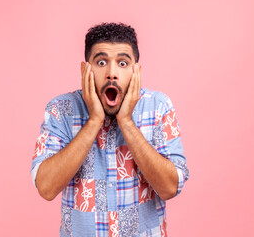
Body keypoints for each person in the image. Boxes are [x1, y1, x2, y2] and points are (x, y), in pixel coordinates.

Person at [31, 22, 189, 237]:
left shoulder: (159, 107)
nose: (112, 73)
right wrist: (94, 120)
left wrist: (127, 122)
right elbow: (46, 188)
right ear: (85, 69)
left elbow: (170, 188)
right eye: (102, 62)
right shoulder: (61, 110)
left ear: (136, 71)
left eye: (123, 63)